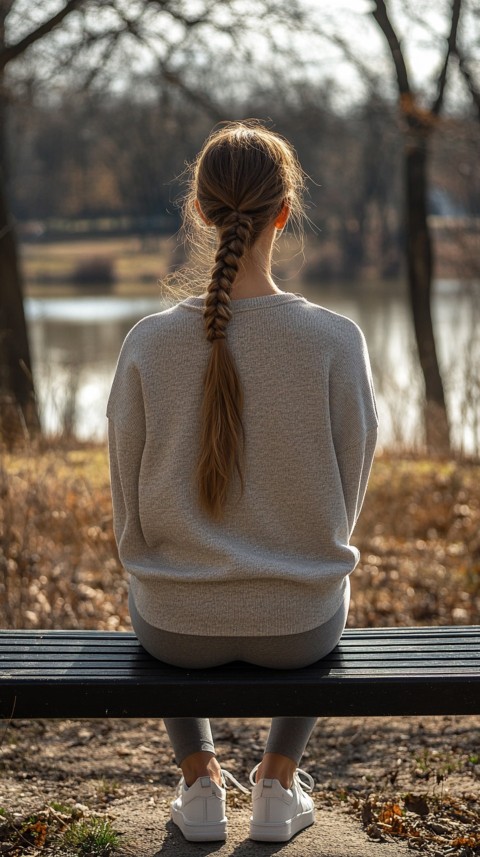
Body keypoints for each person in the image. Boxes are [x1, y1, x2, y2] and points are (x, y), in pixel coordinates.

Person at [107, 120, 378, 844]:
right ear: (284, 214)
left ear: (199, 211)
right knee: (330, 577)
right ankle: (276, 782)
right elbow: (345, 503)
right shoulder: (335, 339)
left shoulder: (146, 342)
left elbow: (127, 506)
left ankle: (199, 784)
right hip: (301, 628)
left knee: (156, 574)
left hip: (172, 628)